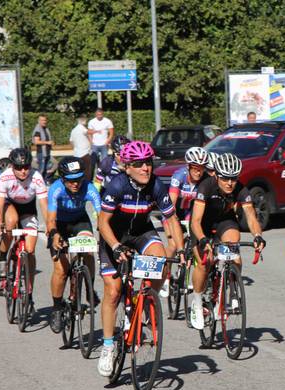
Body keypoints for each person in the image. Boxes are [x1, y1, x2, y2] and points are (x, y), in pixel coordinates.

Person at [96, 140, 185, 377]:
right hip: (114, 236)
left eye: (148, 163)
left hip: (141, 233)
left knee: (161, 260)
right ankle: (107, 346)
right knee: (113, 291)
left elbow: (171, 219)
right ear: (127, 167)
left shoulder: (156, 185)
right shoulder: (116, 185)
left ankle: (143, 304)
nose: (146, 168)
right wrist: (114, 246)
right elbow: (102, 222)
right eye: (139, 164)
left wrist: (182, 249)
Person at [189, 153, 265, 330]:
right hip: (203, 225)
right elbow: (195, 221)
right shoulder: (205, 187)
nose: (230, 183)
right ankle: (198, 301)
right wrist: (201, 239)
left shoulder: (241, 190)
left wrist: (257, 236)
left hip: (225, 222)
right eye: (225, 178)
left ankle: (230, 287)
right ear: (216, 175)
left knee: (235, 253)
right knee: (204, 262)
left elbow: (252, 218)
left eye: (234, 178)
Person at [46, 157, 102, 333]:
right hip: (59, 225)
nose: (76, 184)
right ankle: (56, 308)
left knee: (88, 251)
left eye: (79, 179)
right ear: (62, 178)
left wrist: (104, 236)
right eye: (71, 180)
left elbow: (101, 216)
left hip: (80, 222)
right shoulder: (56, 189)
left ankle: (89, 288)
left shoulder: (90, 188)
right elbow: (50, 219)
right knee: (61, 271)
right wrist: (54, 235)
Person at [0, 148, 48, 303]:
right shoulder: (5, 177)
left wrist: (50, 227)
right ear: (12, 166)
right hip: (10, 205)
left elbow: (44, 205)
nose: (23, 171)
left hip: (28, 209)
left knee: (30, 251)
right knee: (10, 222)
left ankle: (29, 292)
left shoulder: (36, 177)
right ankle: (3, 258)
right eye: (18, 167)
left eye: (26, 167)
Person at [161, 146, 209, 296]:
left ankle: (192, 277)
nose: (198, 172)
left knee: (196, 245)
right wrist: (174, 225)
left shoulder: (205, 180)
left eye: (201, 168)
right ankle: (166, 279)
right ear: (188, 167)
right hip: (173, 213)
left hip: (190, 214)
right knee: (174, 244)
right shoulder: (179, 176)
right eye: (195, 168)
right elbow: (172, 203)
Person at [88, 108, 114, 176]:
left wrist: (107, 141)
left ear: (103, 114)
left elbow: (111, 133)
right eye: (98, 114)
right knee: (93, 162)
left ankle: (104, 176)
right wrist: (91, 142)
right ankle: (92, 177)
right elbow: (89, 132)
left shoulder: (108, 121)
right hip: (95, 145)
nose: (99, 116)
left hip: (104, 145)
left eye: (100, 114)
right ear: (95, 114)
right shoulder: (91, 122)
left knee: (105, 162)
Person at [69, 115, 92, 180]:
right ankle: (87, 184)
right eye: (85, 120)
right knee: (87, 171)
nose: (86, 122)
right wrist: (97, 131)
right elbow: (88, 132)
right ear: (83, 121)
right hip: (84, 153)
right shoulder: (82, 127)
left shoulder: (73, 130)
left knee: (77, 171)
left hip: (76, 154)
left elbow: (71, 141)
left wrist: (76, 147)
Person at [32, 114, 54, 181]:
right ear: (38, 121)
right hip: (41, 153)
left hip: (47, 153)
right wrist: (47, 142)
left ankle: (44, 183)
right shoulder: (38, 129)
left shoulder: (45, 128)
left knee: (46, 169)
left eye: (45, 120)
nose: (44, 121)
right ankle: (38, 184)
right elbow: (36, 142)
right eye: (42, 120)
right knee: (41, 170)